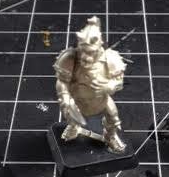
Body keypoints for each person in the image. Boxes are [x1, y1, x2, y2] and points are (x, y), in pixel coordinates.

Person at [54, 16, 127, 153]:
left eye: (90, 52)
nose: (86, 57)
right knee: (71, 113)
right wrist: (64, 97)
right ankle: (74, 127)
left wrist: (109, 87)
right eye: (83, 51)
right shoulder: (70, 58)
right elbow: (62, 81)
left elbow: (118, 82)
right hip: (77, 98)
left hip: (101, 99)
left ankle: (110, 136)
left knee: (113, 117)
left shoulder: (110, 58)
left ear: (99, 47)